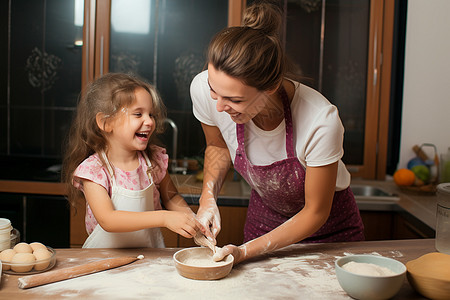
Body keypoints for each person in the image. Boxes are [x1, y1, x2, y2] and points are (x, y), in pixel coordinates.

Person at [190, 2, 364, 264]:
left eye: (234, 100)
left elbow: (315, 212)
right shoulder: (203, 88)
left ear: (270, 87)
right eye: (214, 91)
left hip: (329, 234)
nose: (219, 106)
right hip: (263, 223)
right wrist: (208, 198)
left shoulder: (319, 120)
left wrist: (245, 251)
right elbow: (217, 146)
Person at [62, 73, 204, 248]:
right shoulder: (94, 170)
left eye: (151, 114)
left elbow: (171, 197)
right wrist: (164, 217)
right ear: (106, 122)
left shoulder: (154, 160)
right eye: (138, 114)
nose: (149, 121)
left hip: (148, 258)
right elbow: (108, 220)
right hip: (103, 261)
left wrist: (192, 220)